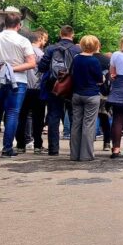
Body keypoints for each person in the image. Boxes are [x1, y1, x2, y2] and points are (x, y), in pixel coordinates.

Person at [0, 13, 36, 158]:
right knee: (12, 113)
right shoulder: (23, 41)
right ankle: (7, 148)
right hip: (18, 80)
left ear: (5, 23)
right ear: (19, 25)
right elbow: (31, 63)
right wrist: (12, 68)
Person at [38, 25, 81, 156]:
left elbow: (42, 67)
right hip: (72, 86)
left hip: (54, 85)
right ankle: (74, 149)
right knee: (74, 116)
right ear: (72, 35)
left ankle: (53, 149)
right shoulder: (78, 49)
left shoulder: (51, 48)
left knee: (53, 116)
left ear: (60, 34)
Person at [70, 35, 104, 162]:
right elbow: (99, 79)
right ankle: (86, 155)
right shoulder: (94, 61)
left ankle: (74, 154)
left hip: (77, 94)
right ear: (95, 46)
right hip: (91, 94)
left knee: (76, 124)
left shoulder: (76, 58)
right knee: (88, 125)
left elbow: (71, 73)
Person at [14, 30, 46, 154]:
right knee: (38, 118)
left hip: (22, 87)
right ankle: (37, 145)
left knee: (21, 116)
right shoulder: (40, 54)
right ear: (39, 39)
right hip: (37, 88)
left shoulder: (22, 52)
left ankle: (20, 144)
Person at [94, 50, 112, 151]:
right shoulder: (107, 60)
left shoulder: (89, 58)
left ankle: (89, 142)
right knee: (105, 118)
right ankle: (107, 143)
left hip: (91, 92)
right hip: (105, 94)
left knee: (90, 119)